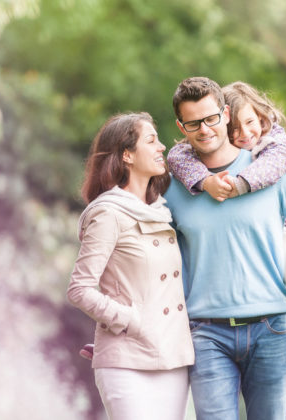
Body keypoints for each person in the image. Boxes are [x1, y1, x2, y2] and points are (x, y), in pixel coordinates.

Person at [164, 76, 286, 420]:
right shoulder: (173, 187)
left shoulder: (271, 171)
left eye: (211, 118)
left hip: (271, 329)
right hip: (205, 333)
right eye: (193, 123)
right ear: (181, 126)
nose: (205, 129)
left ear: (225, 115)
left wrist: (282, 274)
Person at [67, 112, 194, 420]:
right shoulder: (109, 212)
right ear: (127, 154)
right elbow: (79, 288)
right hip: (126, 359)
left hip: (172, 359)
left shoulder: (162, 210)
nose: (162, 147)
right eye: (151, 140)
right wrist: (128, 319)